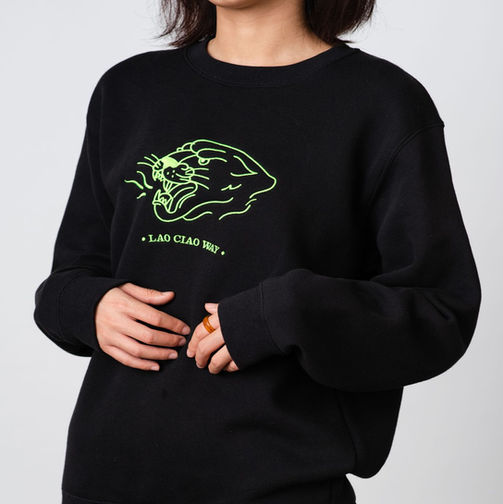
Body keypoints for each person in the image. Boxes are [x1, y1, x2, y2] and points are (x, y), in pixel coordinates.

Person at [33, 1, 482, 503]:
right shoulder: (130, 90)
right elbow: (67, 279)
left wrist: (285, 313)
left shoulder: (382, 103)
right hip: (106, 479)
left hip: (278, 483)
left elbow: (441, 312)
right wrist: (89, 306)